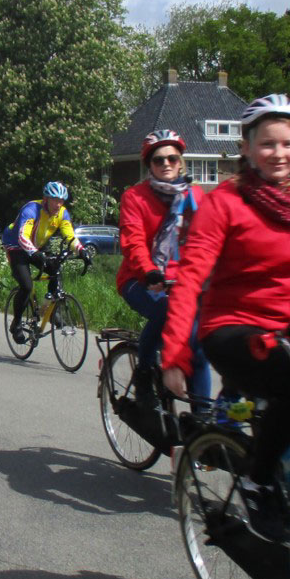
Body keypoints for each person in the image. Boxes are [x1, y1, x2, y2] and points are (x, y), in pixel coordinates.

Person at [159, 95, 290, 552]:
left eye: (287, 143)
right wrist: (175, 353)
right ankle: (257, 480)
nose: (278, 153)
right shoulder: (224, 202)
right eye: (266, 144)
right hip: (236, 329)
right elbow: (191, 276)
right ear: (247, 149)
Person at [117, 128, 209, 403]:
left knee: (198, 346)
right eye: (159, 160)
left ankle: (202, 424)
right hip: (140, 279)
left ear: (181, 161)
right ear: (150, 166)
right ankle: (144, 373)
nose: (166, 164)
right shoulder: (135, 197)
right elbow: (133, 242)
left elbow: (207, 239)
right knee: (168, 311)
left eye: (172, 158)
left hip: (186, 281)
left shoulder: (196, 197)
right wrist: (148, 271)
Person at [3, 182, 83, 344]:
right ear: (45, 199)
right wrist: (35, 254)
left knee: (56, 269)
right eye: (55, 200)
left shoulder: (62, 213)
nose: (58, 204)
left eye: (61, 200)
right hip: (16, 246)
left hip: (36, 246)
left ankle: (51, 310)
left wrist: (81, 251)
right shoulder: (31, 209)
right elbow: (22, 236)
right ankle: (16, 322)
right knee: (26, 286)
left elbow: (70, 236)